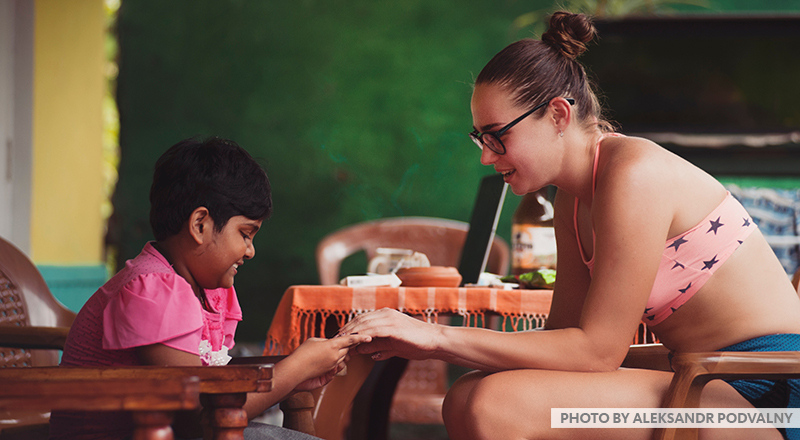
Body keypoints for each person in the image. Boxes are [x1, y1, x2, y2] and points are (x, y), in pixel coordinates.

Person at [338, 11, 800, 440]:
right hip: (706, 378)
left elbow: (596, 353)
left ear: (558, 114)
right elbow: (565, 339)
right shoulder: (574, 199)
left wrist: (438, 337)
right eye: (480, 138)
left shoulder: (634, 174)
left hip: (769, 396)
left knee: (495, 404)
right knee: (465, 396)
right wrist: (430, 343)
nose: (485, 155)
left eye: (499, 136)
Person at [49, 136, 370, 440]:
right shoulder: (153, 290)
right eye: (245, 234)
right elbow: (203, 415)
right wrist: (296, 368)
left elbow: (214, 379)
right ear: (200, 225)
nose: (250, 251)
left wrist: (296, 368)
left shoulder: (201, 288)